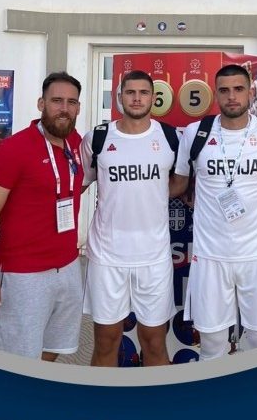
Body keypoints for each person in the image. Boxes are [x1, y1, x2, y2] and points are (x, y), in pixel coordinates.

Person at [170, 64, 257, 360]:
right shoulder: (195, 133)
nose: (232, 97)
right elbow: (179, 184)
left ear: (250, 92)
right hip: (210, 254)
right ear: (215, 94)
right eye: (224, 90)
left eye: (239, 89)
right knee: (211, 342)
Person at [0, 71, 84, 360]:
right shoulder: (13, 149)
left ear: (78, 108)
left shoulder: (76, 143)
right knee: (17, 360)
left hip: (68, 267)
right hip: (23, 275)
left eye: (71, 102)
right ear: (41, 104)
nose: (64, 108)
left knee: (54, 349)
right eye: (56, 101)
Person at [81, 70, 177, 366]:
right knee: (106, 341)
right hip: (107, 257)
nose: (136, 98)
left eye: (143, 92)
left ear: (154, 98)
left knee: (154, 342)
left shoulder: (171, 137)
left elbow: (180, 182)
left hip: (154, 257)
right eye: (130, 92)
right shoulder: (97, 138)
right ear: (119, 97)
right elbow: (80, 185)